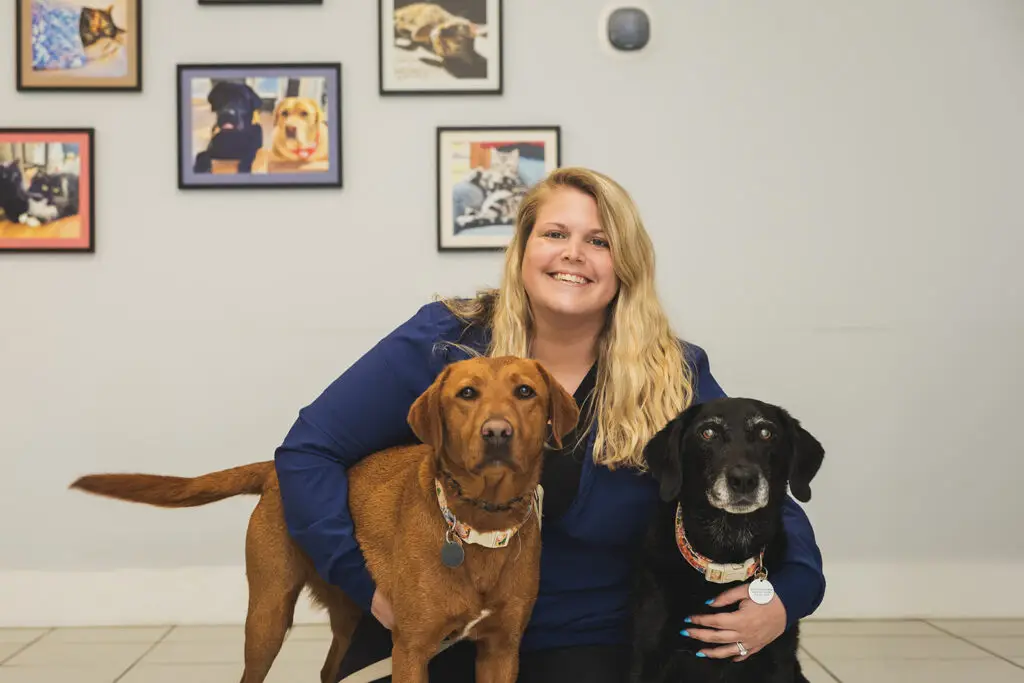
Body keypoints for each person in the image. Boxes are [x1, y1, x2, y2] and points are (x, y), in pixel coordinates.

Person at [273, 166, 826, 682]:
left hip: (585, 638)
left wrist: (787, 595)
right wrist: (360, 581)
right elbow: (309, 451)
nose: (573, 253)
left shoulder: (670, 372)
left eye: (599, 241)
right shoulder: (445, 340)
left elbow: (760, 482)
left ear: (626, 264)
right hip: (430, 623)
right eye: (555, 233)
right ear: (522, 249)